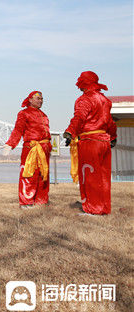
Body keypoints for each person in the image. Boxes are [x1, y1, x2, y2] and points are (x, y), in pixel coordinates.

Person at [63, 71, 117, 215]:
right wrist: (113, 136)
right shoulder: (104, 100)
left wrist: (70, 132)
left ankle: (93, 209)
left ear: (84, 83)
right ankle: (104, 207)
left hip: (90, 141)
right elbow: (109, 121)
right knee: (103, 177)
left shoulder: (85, 99)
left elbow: (79, 117)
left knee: (89, 175)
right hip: (104, 141)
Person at [4, 91, 51, 208]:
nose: (40, 101)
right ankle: (26, 201)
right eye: (38, 98)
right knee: (29, 173)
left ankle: (41, 199)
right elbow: (18, 129)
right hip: (31, 148)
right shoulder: (24, 113)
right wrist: (10, 143)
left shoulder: (44, 115)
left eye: (42, 99)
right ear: (30, 99)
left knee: (43, 174)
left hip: (44, 148)